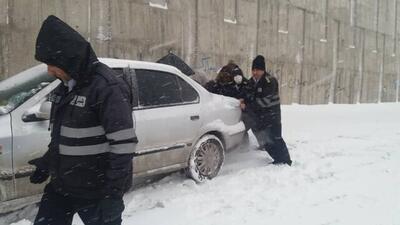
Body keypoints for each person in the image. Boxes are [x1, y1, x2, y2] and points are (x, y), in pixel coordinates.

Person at [29, 15, 138, 225]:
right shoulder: (66, 87)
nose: (49, 70)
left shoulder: (107, 88)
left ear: (68, 59)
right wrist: (46, 162)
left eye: (52, 63)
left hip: (97, 191)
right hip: (63, 185)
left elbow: (124, 145)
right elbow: (63, 135)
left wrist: (112, 193)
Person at [242, 55, 292, 165]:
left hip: (272, 117)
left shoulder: (270, 81)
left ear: (263, 70)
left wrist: (247, 106)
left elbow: (264, 102)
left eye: (258, 70)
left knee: (276, 139)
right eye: (253, 70)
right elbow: (247, 95)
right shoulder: (251, 82)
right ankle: (277, 160)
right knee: (267, 142)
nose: (255, 72)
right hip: (260, 119)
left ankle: (286, 161)